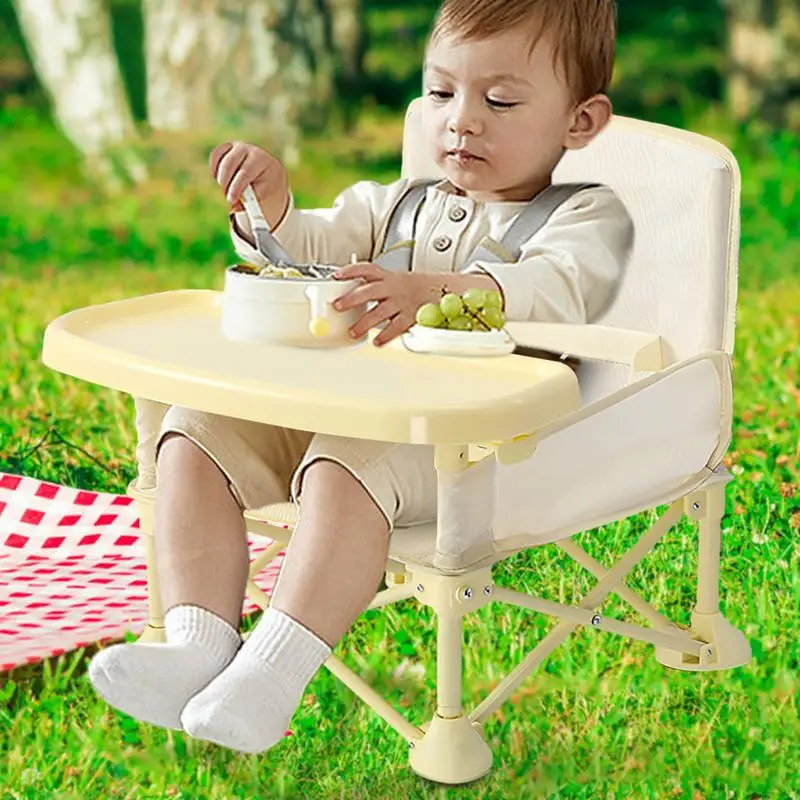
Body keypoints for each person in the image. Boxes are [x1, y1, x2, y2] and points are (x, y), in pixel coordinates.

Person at [88, 0, 633, 755]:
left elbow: (558, 288)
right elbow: (308, 243)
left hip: (463, 441)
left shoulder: (585, 218)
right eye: (441, 94)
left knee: (348, 465)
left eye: (500, 100)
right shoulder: (399, 203)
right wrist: (271, 205)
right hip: (340, 404)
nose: (462, 120)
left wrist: (435, 293)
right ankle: (197, 645)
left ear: (580, 122)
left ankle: (271, 676)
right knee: (194, 430)